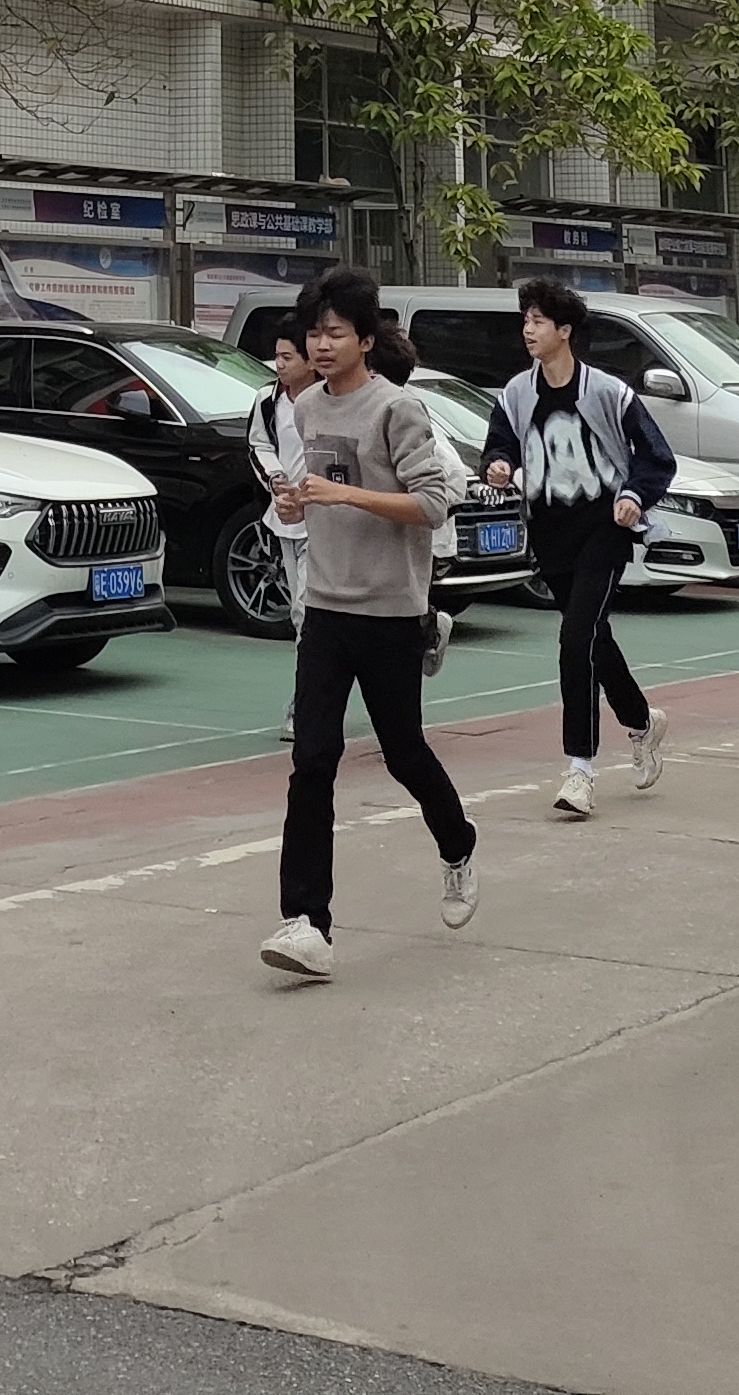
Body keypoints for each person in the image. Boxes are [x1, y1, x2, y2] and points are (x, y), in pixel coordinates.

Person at [255, 271, 478, 977]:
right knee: (311, 759)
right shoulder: (306, 409)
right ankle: (306, 922)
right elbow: (318, 495)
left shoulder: (398, 409)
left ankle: (458, 843)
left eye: (334, 333)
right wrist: (299, 507)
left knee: (404, 751)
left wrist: (344, 493)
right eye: (313, 333)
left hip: (389, 609)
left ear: (366, 340)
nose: (320, 346)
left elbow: (435, 503)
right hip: (324, 605)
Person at [483, 279, 674, 809]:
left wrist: (634, 495)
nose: (528, 329)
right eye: (526, 320)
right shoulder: (517, 392)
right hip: (552, 533)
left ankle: (580, 770)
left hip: (604, 531)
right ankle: (641, 723)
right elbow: (499, 445)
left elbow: (657, 456)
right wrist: (500, 465)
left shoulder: (608, 392)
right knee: (592, 638)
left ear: (565, 331)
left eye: (539, 321)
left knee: (574, 640)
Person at [244, 318, 313, 624]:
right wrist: (275, 478)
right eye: (277, 356)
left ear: (309, 362)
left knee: (305, 606)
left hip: (320, 517)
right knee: (298, 604)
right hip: (284, 515)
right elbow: (259, 445)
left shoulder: (329, 399)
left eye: (287, 357)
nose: (279, 365)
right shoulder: (268, 401)